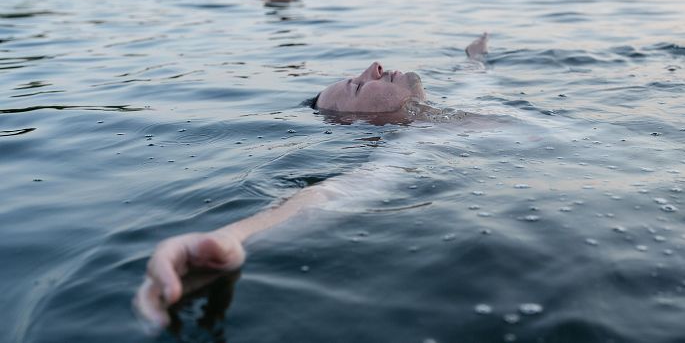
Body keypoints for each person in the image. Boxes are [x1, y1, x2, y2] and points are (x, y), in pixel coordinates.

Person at [133, 33, 490, 331]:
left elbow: (474, 79)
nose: (374, 68)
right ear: (355, 122)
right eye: (357, 86)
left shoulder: (458, 108)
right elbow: (340, 191)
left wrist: (475, 58)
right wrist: (232, 237)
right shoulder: (413, 147)